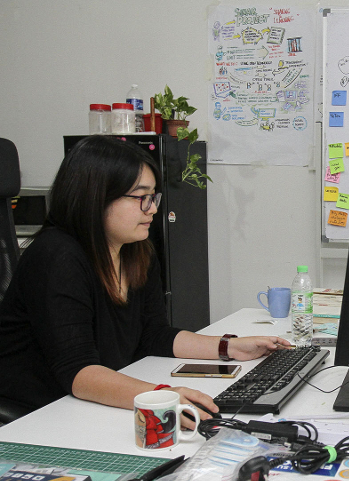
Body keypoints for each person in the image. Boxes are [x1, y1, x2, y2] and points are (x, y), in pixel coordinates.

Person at [0, 135, 292, 421]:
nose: (152, 208)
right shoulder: (56, 257)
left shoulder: (136, 250)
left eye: (153, 197)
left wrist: (229, 346)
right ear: (96, 197)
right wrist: (163, 396)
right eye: (141, 197)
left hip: (93, 403)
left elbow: (153, 335)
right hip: (39, 414)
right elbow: (79, 372)